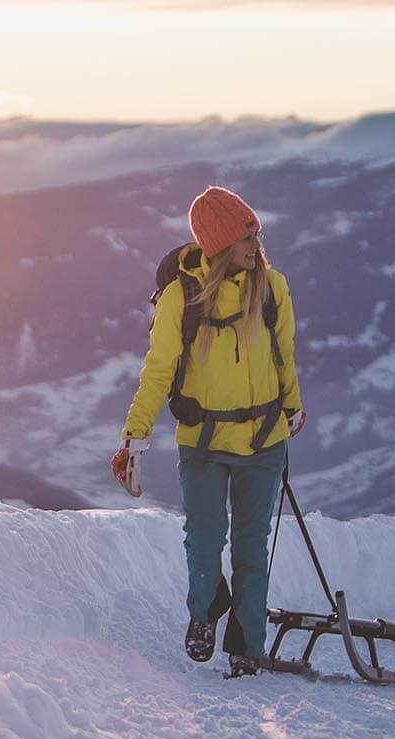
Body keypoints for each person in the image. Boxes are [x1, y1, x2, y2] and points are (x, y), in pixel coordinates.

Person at [113, 186, 306, 678]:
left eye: (256, 233)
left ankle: (248, 644)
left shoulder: (274, 288)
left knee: (251, 545)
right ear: (219, 242)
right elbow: (158, 371)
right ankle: (204, 611)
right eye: (246, 235)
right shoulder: (182, 297)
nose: (256, 244)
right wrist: (134, 438)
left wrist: (293, 408)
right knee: (203, 540)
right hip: (201, 442)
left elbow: (285, 355)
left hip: (264, 440)